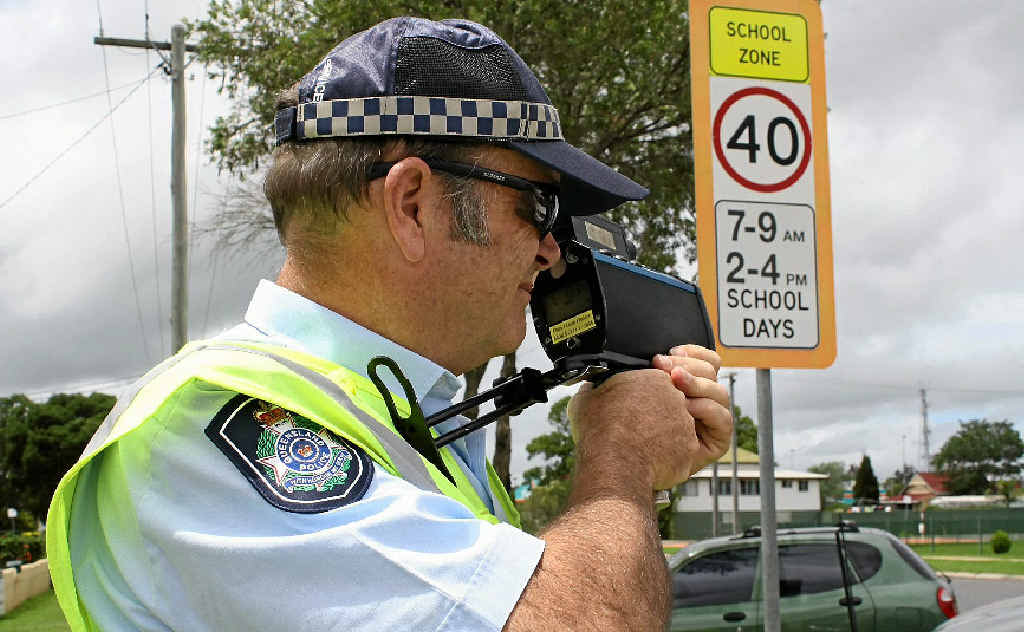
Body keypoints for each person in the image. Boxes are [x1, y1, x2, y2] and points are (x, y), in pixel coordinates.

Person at [47, 17, 733, 632]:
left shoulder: (406, 420)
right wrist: (621, 462)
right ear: (410, 204)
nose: (552, 247)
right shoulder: (206, 433)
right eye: (539, 207)